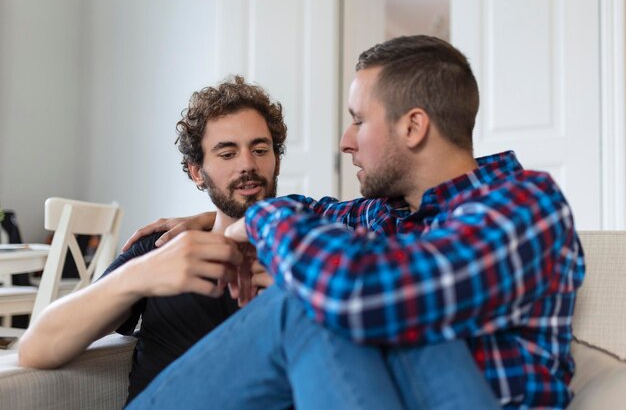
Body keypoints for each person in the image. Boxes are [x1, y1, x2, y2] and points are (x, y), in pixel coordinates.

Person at [126, 35, 584, 410]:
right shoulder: (389, 213)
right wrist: (218, 215)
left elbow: (358, 290)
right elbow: (307, 210)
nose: (346, 142)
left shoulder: (523, 206)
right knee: (315, 291)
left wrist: (263, 218)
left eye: (359, 121)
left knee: (311, 300)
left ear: (413, 127)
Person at [18, 76, 286, 404]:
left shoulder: (313, 258)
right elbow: (36, 348)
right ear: (197, 172)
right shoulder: (162, 248)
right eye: (227, 154)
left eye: (260, 150)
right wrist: (140, 276)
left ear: (276, 160)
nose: (248, 164)